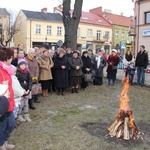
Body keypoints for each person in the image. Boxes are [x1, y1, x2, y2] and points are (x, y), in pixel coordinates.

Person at [0, 47, 16, 150]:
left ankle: (4, 141)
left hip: (9, 102)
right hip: (2, 103)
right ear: (7, 58)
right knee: (2, 126)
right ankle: (1, 144)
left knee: (11, 124)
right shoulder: (1, 71)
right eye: (11, 56)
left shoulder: (8, 69)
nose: (12, 58)